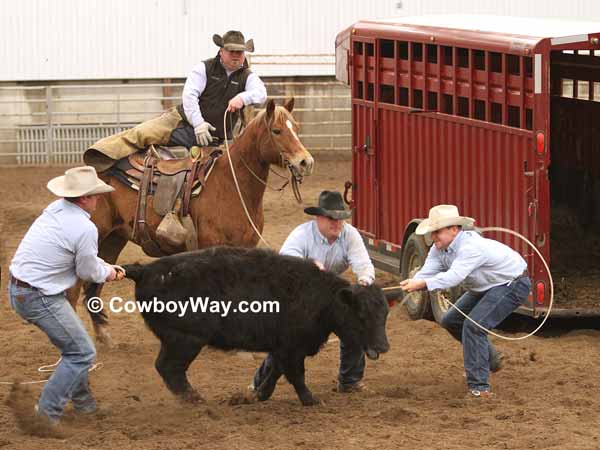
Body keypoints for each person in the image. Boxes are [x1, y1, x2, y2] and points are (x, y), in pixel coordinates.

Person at [8, 166, 124, 427]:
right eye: (95, 194)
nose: (99, 199)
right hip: (39, 295)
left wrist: (102, 266)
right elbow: (87, 270)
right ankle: (45, 415)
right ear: (84, 198)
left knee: (74, 346)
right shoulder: (84, 227)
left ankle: (85, 405)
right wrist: (109, 272)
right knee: (82, 351)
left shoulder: (56, 209)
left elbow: (81, 258)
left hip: (25, 288)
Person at [400, 204, 531, 398]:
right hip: (487, 285)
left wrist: (422, 283)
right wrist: (415, 280)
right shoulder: (439, 248)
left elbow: (454, 277)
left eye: (437, 231)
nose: (433, 236)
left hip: (511, 284)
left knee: (473, 326)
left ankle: (479, 387)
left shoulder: (471, 247)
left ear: (454, 229)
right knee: (450, 320)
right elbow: (428, 271)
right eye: (432, 232)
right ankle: (489, 361)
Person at [251, 190, 376, 394]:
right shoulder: (302, 234)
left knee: (354, 324)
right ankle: (259, 382)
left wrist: (364, 281)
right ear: (318, 218)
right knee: (287, 338)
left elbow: (364, 265)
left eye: (340, 219)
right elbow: (285, 263)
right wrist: (308, 266)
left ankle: (350, 380)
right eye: (331, 219)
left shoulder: (350, 235)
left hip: (330, 294)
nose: (337, 223)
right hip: (297, 295)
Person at [85, 30, 267, 167]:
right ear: (222, 52)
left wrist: (243, 97)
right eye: (232, 51)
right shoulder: (205, 68)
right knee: (141, 133)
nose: (236, 55)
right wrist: (198, 123)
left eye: (240, 52)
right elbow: (189, 96)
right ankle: (101, 154)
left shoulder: (247, 76)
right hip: (179, 121)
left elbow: (261, 93)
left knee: (212, 176)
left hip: (213, 137)